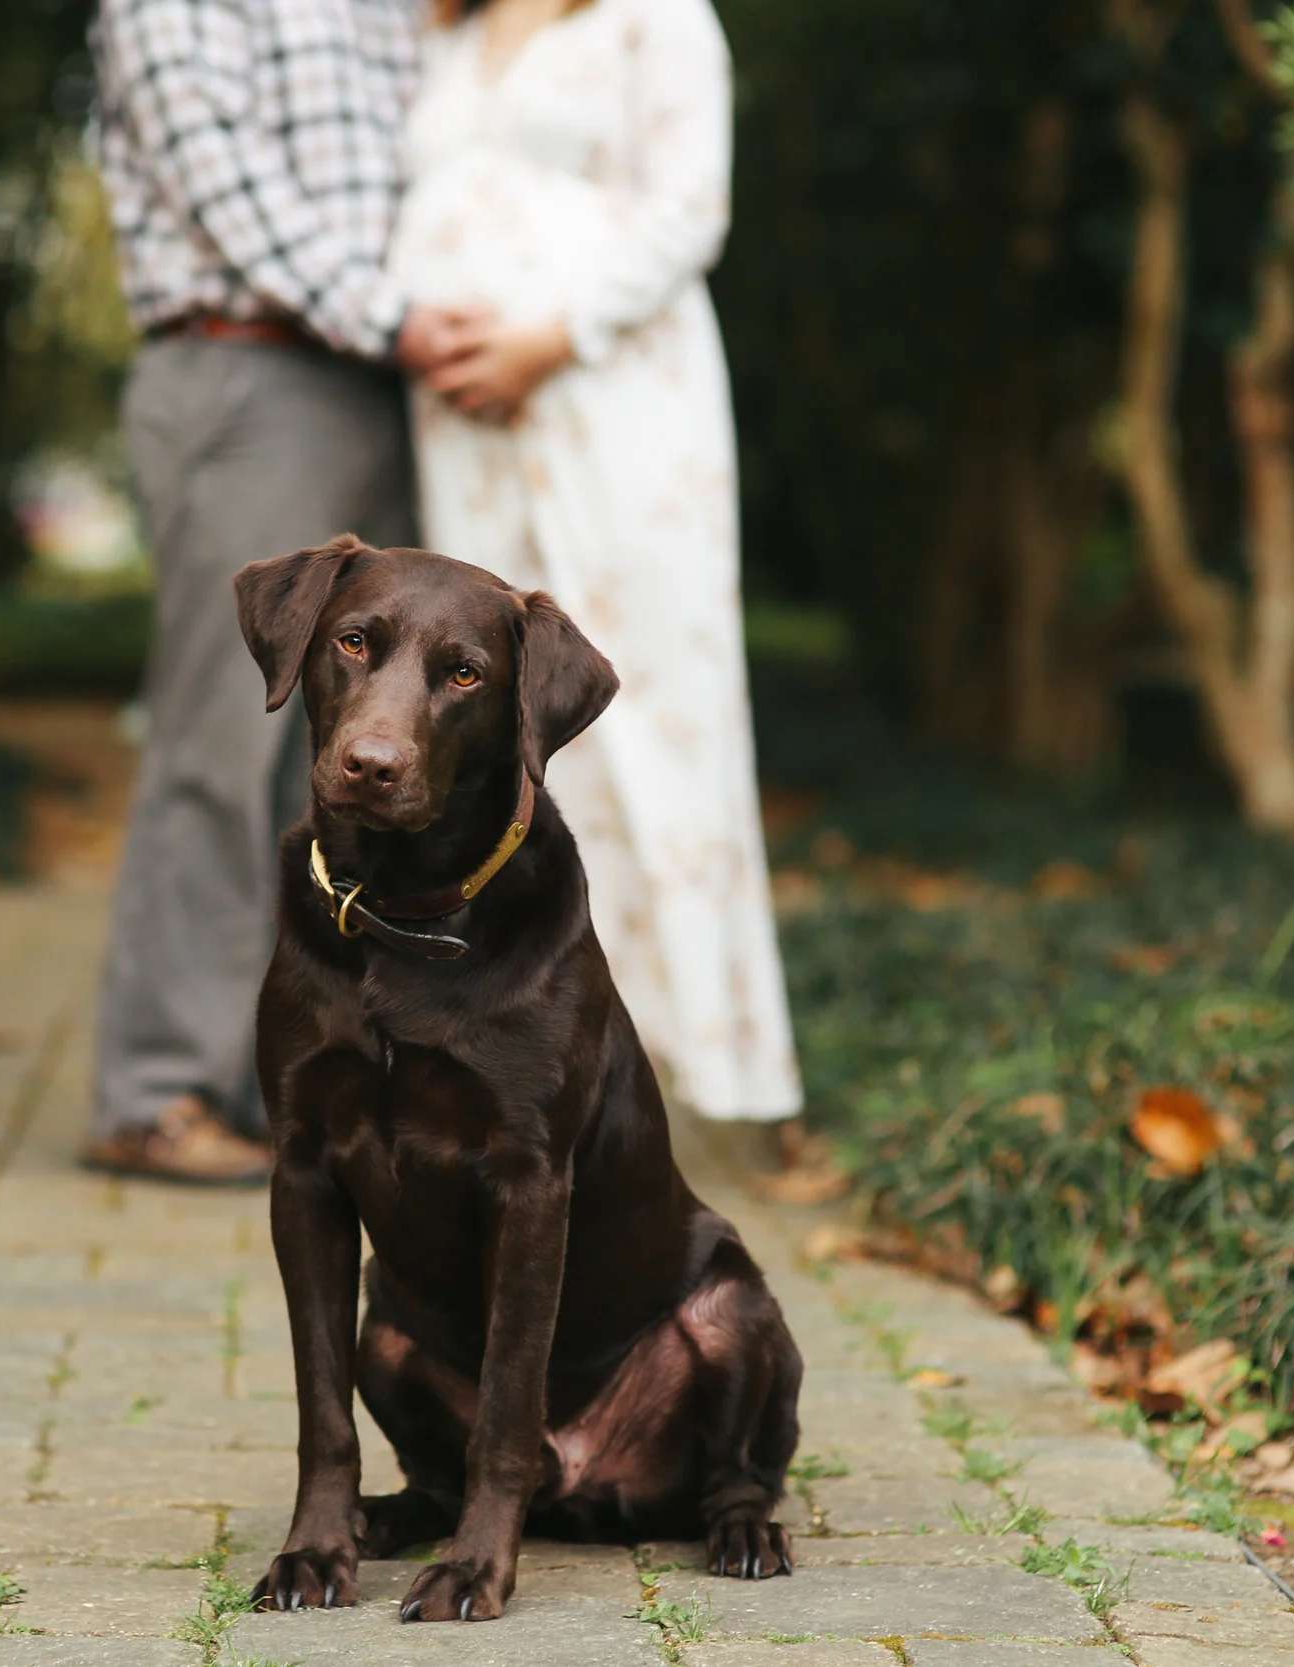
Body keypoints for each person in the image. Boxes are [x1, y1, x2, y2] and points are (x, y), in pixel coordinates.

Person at [387, 0, 806, 1130]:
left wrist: (551, 334)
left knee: (640, 715)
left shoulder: (655, 17)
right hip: (471, 428)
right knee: (483, 719)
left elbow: (688, 212)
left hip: (613, 397)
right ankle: (511, 1039)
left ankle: (674, 1060)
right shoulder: (448, 30)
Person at [79, 0, 479, 1184]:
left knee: (366, 749)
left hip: (385, 382)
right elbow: (225, 185)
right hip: (251, 370)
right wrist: (401, 320)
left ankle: (294, 1083)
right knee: (222, 738)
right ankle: (156, 1089)